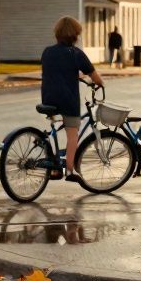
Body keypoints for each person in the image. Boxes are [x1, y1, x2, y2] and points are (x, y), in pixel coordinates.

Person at [41, 16, 104, 185]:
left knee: (55, 129)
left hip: (48, 98)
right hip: (68, 100)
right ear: (76, 35)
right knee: (72, 133)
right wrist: (98, 83)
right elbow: (96, 78)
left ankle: (55, 167)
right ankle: (69, 169)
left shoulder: (47, 51)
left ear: (57, 34)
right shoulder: (76, 53)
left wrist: (74, 75)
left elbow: (57, 70)